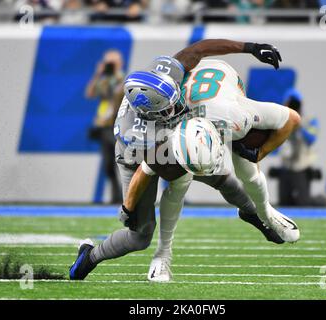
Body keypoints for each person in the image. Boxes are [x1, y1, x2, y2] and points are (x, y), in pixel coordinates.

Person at [69, 38, 296, 281]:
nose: (177, 107)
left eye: (175, 98)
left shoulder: (166, 75)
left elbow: (199, 49)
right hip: (136, 159)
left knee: (223, 179)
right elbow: (145, 171)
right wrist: (128, 207)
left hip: (165, 143)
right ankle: (90, 256)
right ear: (150, 114)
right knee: (140, 236)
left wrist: (250, 48)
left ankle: (255, 214)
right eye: (168, 109)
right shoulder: (142, 136)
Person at [270, 88, 326, 207]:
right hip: (286, 165)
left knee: (303, 203)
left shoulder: (310, 121)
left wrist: (299, 125)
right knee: (284, 203)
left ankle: (323, 200)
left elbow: (311, 140)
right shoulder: (281, 121)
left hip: (302, 166)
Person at [85, 50, 124, 204]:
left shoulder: (123, 79)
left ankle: (124, 197)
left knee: (120, 162)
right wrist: (97, 74)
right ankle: (116, 197)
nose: (110, 66)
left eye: (112, 63)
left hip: (117, 126)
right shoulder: (104, 81)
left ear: (119, 63)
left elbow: (119, 95)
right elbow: (90, 93)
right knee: (108, 164)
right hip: (104, 126)